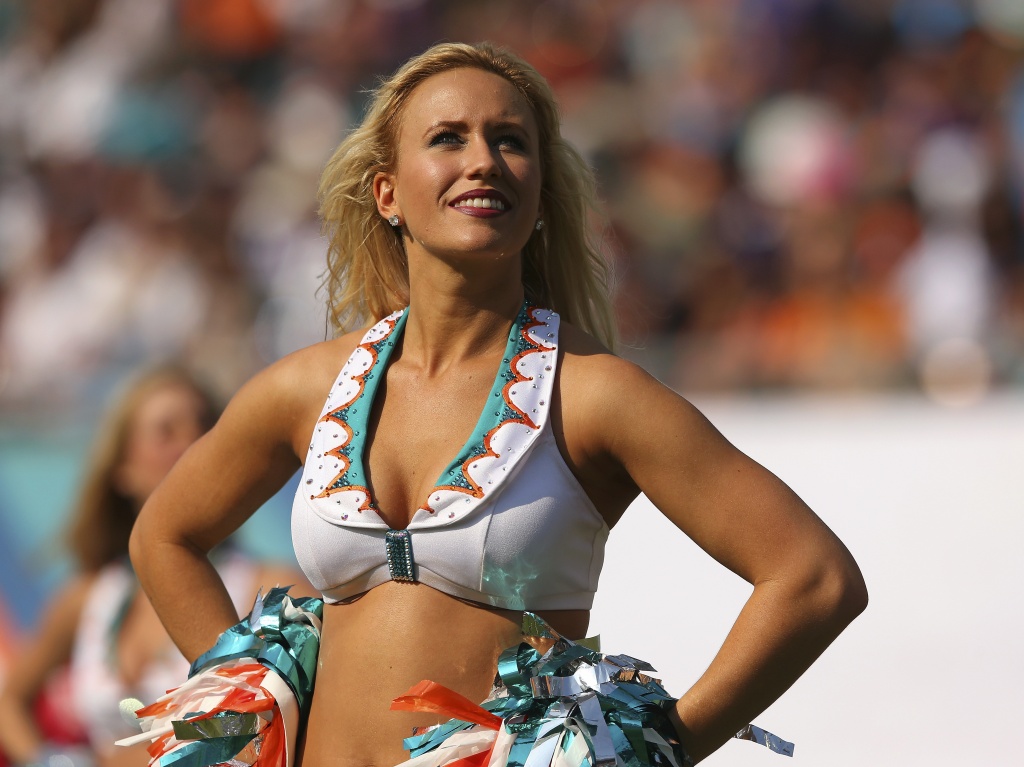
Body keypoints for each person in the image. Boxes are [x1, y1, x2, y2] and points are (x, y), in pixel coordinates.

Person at [128, 42, 867, 767]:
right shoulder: (306, 386)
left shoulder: (594, 392)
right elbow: (164, 536)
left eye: (510, 141)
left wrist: (659, 746)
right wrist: (247, 707)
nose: (482, 160)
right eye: (448, 138)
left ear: (540, 193)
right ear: (387, 193)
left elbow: (814, 577)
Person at [0, 366, 306, 767]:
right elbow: (10, 702)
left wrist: (137, 755)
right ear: (122, 469)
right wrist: (51, 760)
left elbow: (290, 717)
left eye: (206, 429)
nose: (191, 444)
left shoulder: (272, 590)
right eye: (166, 431)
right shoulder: (89, 597)